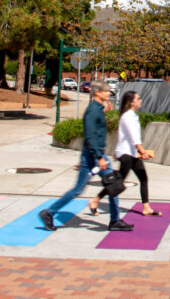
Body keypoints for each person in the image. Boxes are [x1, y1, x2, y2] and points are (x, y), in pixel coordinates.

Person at [40, 82, 131, 232]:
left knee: (113, 185)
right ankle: (48, 213)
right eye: (106, 91)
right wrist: (99, 157)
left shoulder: (98, 109)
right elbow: (89, 137)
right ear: (97, 93)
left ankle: (115, 220)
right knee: (78, 190)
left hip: (96, 154)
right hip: (93, 156)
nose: (109, 94)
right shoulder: (92, 111)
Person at [86, 91, 161, 217]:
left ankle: (146, 207)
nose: (140, 100)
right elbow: (133, 137)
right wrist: (142, 151)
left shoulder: (132, 115)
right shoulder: (127, 116)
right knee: (118, 182)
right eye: (138, 98)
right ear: (131, 102)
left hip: (131, 153)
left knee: (143, 178)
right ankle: (95, 200)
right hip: (126, 154)